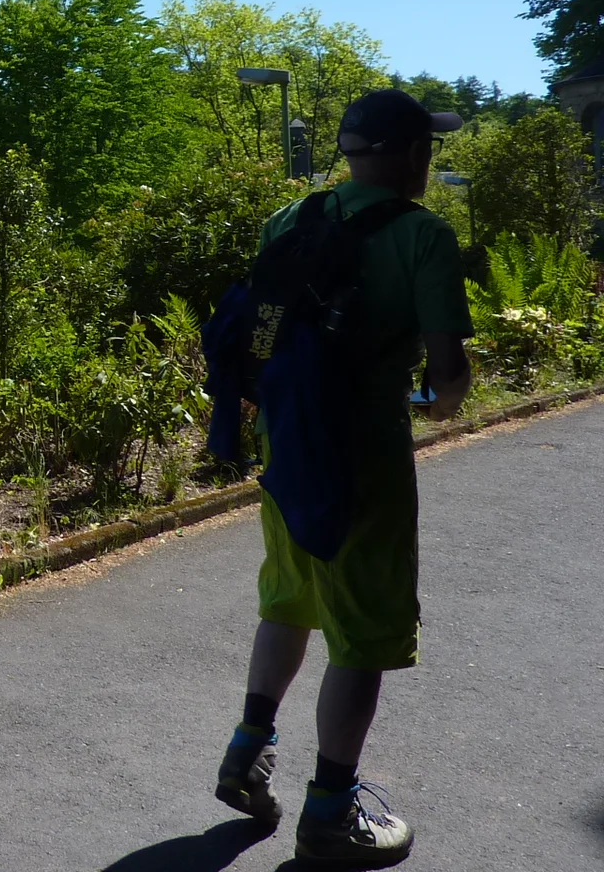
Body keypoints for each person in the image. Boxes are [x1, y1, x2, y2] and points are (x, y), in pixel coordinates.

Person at [215, 89, 473, 868]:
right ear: (408, 154)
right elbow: (450, 376)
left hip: (287, 447)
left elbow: (259, 338)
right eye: (427, 148)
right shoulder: (424, 235)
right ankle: (330, 810)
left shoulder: (292, 220)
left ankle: (249, 749)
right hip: (364, 456)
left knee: (289, 599)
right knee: (362, 634)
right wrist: (434, 402)